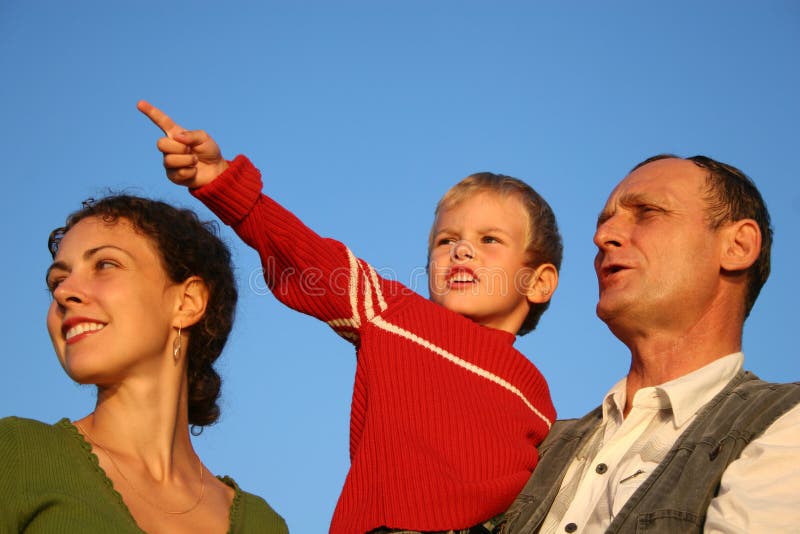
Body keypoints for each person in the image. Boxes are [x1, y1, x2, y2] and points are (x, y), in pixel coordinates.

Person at [138, 100, 562, 534]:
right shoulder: (397, 315)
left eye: (489, 239)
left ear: (539, 282)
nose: (461, 250)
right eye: (445, 241)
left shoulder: (541, 401)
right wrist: (225, 184)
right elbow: (312, 260)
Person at [501, 155, 800, 533]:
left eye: (647, 212)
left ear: (738, 246)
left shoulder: (784, 423)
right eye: (604, 222)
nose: (601, 237)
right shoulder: (539, 444)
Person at [0, 195, 288, 533]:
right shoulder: (18, 455)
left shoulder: (261, 524)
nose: (64, 293)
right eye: (57, 281)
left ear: (188, 301)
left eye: (105, 265)